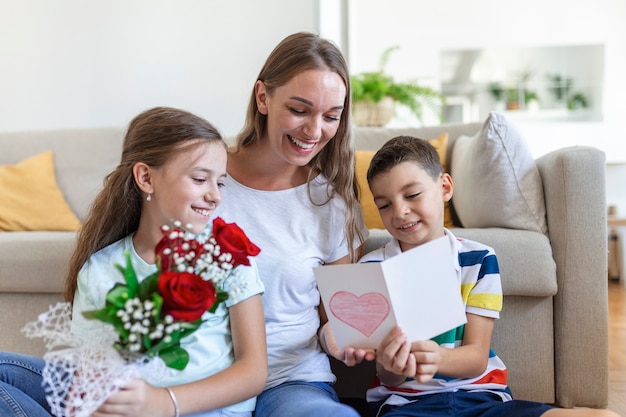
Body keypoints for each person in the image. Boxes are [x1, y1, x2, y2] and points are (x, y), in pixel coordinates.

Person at [0, 106, 267, 417]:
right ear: (145, 177)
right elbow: (93, 380)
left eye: (219, 182)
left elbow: (254, 371)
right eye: (199, 179)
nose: (215, 195)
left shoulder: (226, 253)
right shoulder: (100, 269)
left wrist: (166, 402)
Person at [360, 135, 619, 417]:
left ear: (444, 187)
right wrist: (391, 365)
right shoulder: (372, 269)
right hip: (406, 404)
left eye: (412, 195)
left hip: (481, 399)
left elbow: (476, 359)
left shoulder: (479, 259)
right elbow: (387, 378)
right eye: (384, 205)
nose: (400, 212)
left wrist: (439, 358)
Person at [211, 32, 371, 417]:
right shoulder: (204, 177)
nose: (314, 132)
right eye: (300, 110)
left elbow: (337, 321)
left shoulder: (332, 203)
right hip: (202, 376)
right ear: (263, 97)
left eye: (331, 116)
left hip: (290, 382)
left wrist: (347, 340)